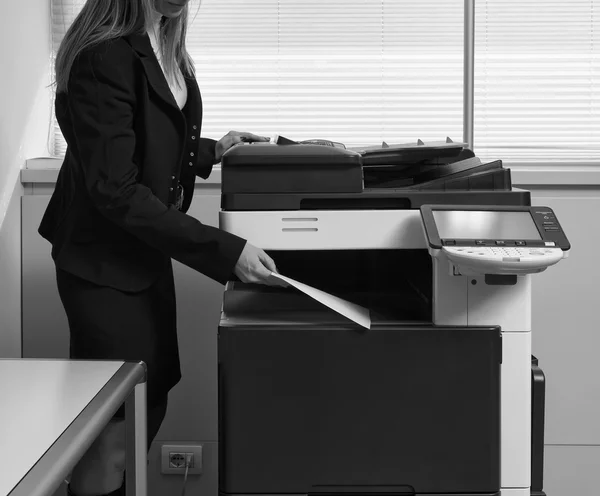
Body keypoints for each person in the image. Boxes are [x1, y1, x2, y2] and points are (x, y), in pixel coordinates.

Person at [38, 0, 279, 495]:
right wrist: (225, 252)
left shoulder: (164, 42)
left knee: (150, 401)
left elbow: (146, 139)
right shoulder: (102, 56)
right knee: (110, 429)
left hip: (144, 254)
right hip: (102, 266)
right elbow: (115, 186)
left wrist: (212, 148)